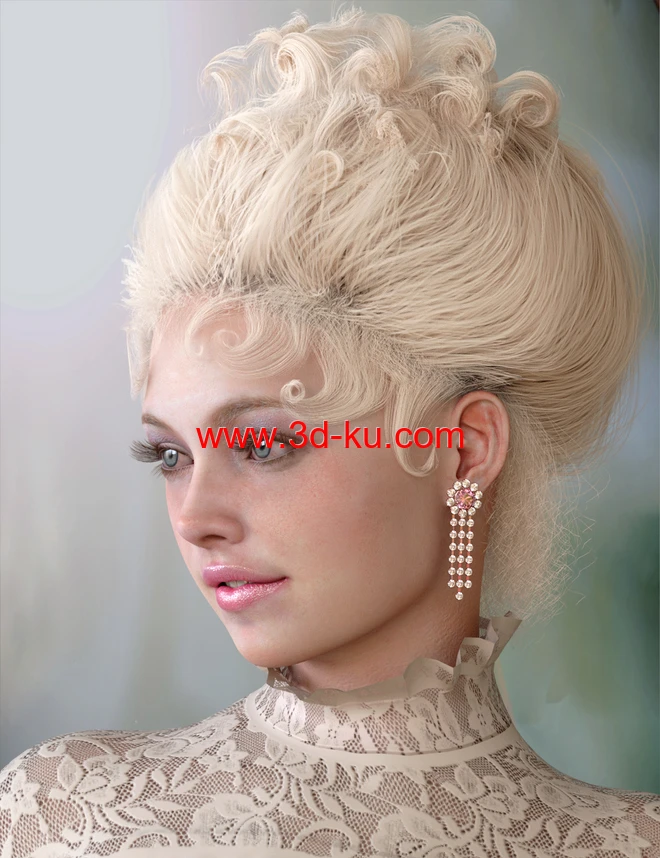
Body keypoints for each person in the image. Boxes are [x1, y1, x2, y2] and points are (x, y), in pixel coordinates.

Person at [0, 6, 657, 857]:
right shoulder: (63, 815)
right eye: (170, 454)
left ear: (464, 450)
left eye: (264, 445)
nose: (195, 518)